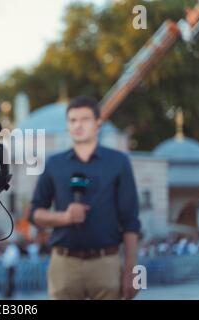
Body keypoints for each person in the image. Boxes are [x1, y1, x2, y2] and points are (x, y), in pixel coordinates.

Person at [29, 96, 141, 300]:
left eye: (85, 119)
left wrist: (133, 273)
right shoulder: (54, 163)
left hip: (106, 262)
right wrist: (65, 218)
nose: (78, 125)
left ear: (98, 122)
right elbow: (34, 213)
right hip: (64, 264)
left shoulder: (119, 162)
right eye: (72, 120)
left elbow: (131, 221)